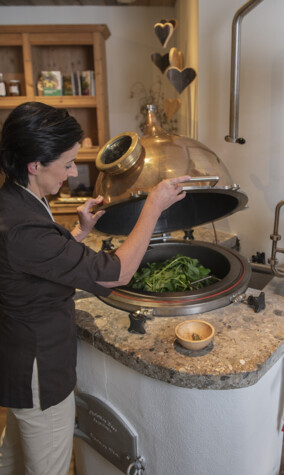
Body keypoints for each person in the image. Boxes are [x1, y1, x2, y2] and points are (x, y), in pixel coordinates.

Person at [0, 101, 189, 475]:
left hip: (17, 356)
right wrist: (153, 207)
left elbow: (34, 261)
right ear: (34, 164)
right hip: (40, 368)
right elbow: (114, 274)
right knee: (47, 467)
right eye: (67, 163)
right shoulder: (24, 226)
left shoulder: (15, 201)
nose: (72, 172)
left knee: (12, 457)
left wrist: (78, 233)